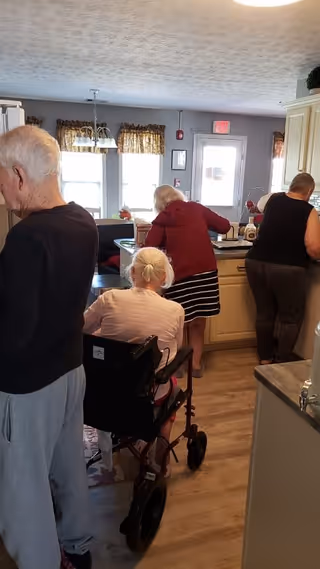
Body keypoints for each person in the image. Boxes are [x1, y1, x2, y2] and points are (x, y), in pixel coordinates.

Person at [0, 126, 98, 569]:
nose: (1, 190)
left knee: (24, 492)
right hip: (70, 369)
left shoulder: (26, 238)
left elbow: (13, 332)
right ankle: (79, 547)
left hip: (27, 385)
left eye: (1, 179)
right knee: (68, 466)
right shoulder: (82, 220)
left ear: (19, 175)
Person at [83, 247, 185, 467]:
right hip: (145, 394)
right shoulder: (175, 309)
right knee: (171, 386)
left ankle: (121, 430)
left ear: (133, 272)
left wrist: (105, 336)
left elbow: (81, 329)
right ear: (164, 276)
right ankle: (160, 456)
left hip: (103, 388)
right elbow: (174, 350)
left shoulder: (109, 298)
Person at [145, 185, 230, 377]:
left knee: (180, 322)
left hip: (180, 276)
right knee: (199, 322)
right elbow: (224, 226)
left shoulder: (163, 218)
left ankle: (177, 366)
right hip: (205, 273)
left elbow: (149, 247)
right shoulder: (197, 208)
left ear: (159, 202)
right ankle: (196, 365)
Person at [246, 173, 320, 364]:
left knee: (265, 313)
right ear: (309, 191)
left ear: (292, 186)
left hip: (256, 262)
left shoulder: (273, 200)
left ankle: (265, 359)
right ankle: (281, 363)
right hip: (288, 269)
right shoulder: (309, 210)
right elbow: (313, 247)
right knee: (290, 319)